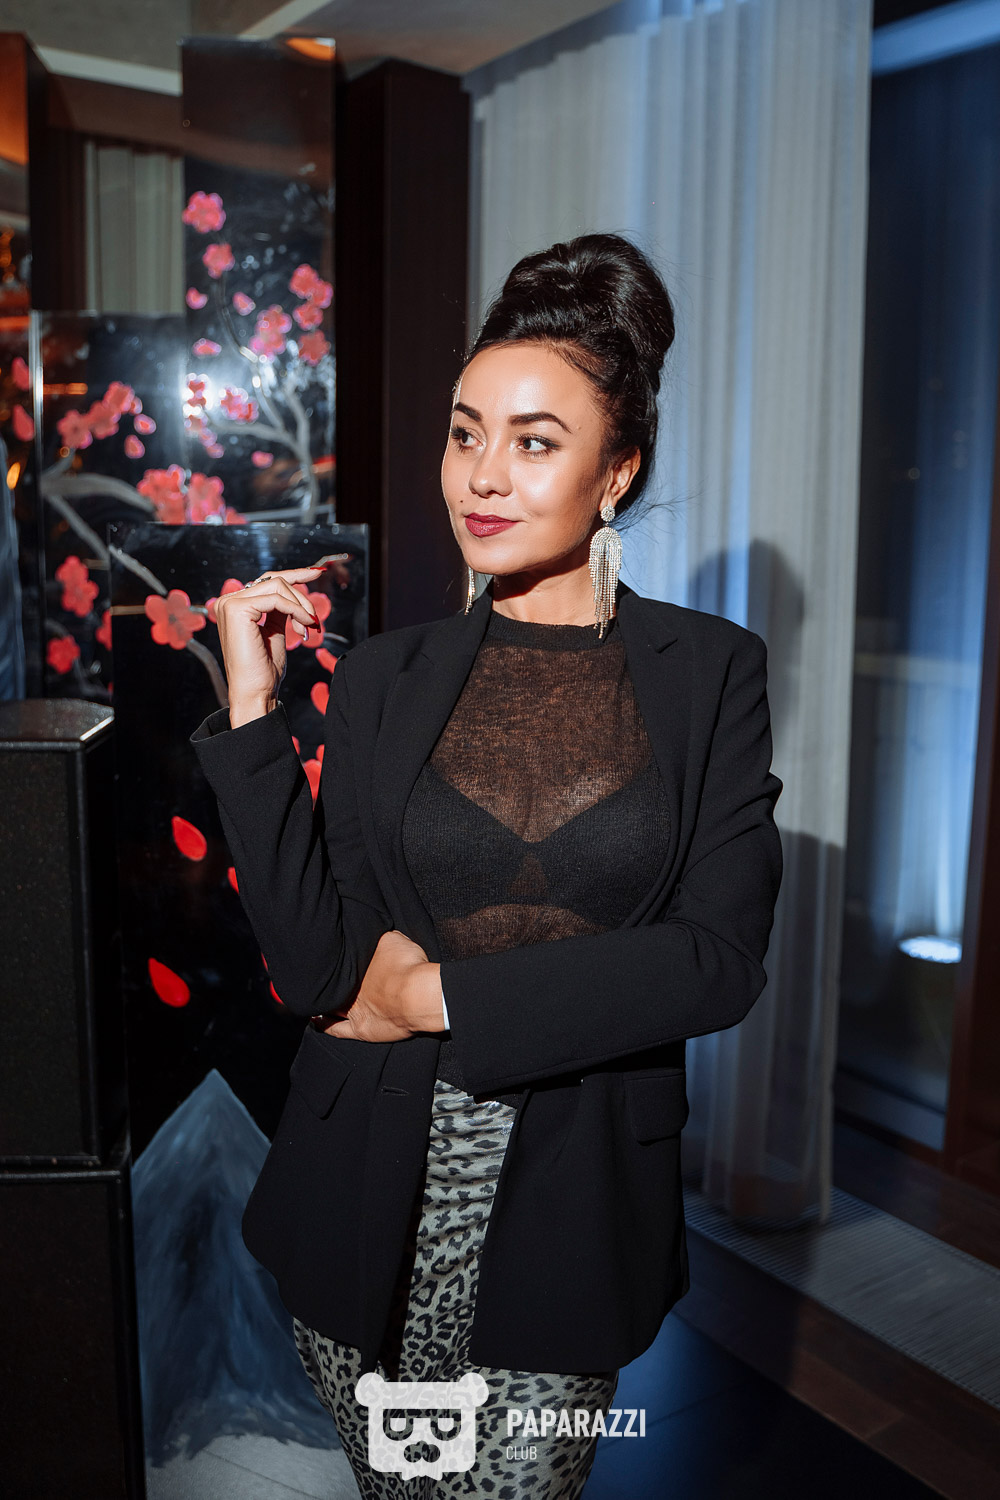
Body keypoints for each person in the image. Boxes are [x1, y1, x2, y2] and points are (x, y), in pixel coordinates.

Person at [190, 232, 783, 1498]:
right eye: (465, 434)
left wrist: (433, 998)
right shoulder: (386, 675)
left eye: (534, 441)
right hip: (365, 1194)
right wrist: (251, 713)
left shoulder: (708, 673)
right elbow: (314, 967)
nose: (483, 476)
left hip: (571, 1207)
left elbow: (717, 961)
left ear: (616, 471)